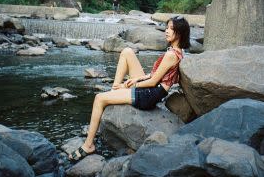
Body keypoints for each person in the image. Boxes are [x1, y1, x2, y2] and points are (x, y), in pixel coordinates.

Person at [68, 15, 190, 162]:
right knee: (127, 52)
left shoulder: (171, 54)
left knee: (99, 98)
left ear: (180, 33)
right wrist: (138, 78)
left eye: (171, 29)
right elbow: (155, 75)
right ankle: (115, 91)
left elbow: (153, 82)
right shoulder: (176, 51)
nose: (166, 31)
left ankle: (88, 145)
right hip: (154, 89)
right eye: (167, 27)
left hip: (150, 95)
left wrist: (131, 84)